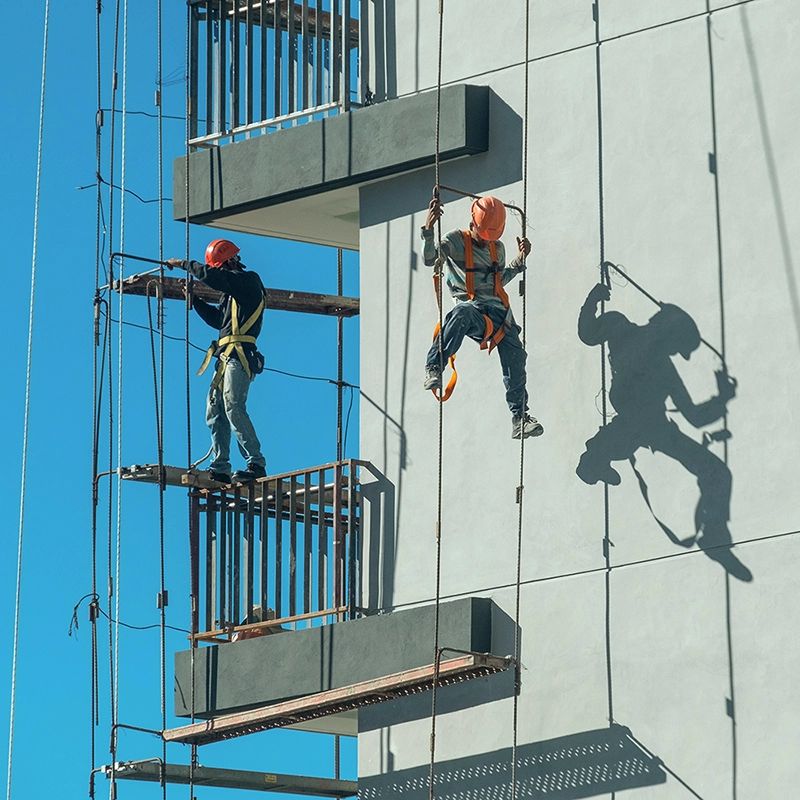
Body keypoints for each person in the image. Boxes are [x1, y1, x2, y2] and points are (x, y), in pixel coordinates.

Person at [576, 281, 751, 581]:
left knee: (623, 439)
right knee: (716, 473)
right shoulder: (662, 364)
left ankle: (596, 459)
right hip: (648, 426)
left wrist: (593, 298)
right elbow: (694, 417)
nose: (675, 352)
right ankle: (595, 459)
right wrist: (722, 399)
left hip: (644, 425)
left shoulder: (622, 328)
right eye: (678, 346)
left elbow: (587, 333)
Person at [421, 196, 543, 439]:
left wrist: (519, 261)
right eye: (484, 234)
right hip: (474, 310)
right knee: (461, 312)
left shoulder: (496, 247)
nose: (487, 240)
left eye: (492, 236)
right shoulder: (456, 241)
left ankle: (520, 418)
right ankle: (434, 365)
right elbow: (429, 259)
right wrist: (428, 231)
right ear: (473, 223)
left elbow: (498, 281)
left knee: (516, 358)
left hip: (500, 315)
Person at [166, 239, 267, 484]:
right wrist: (194, 299)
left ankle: (255, 462)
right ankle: (220, 467)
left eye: (221, 267)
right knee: (215, 410)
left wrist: (183, 264)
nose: (219, 272)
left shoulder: (248, 282)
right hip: (225, 356)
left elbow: (215, 278)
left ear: (232, 262)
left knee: (233, 405)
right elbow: (218, 321)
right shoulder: (231, 295)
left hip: (239, 355)